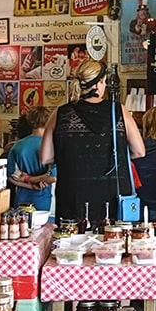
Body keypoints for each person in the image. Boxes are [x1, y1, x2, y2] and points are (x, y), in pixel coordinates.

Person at [40, 59, 145, 225]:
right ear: (98, 85)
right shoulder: (118, 111)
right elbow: (139, 151)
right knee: (113, 246)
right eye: (104, 82)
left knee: (71, 248)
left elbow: (45, 158)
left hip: (73, 197)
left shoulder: (61, 113)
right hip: (111, 197)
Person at [7, 106, 57, 212]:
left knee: (22, 226)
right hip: (45, 201)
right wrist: (37, 181)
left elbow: (10, 176)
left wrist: (29, 181)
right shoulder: (52, 146)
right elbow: (53, 177)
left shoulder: (17, 146)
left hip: (21, 200)